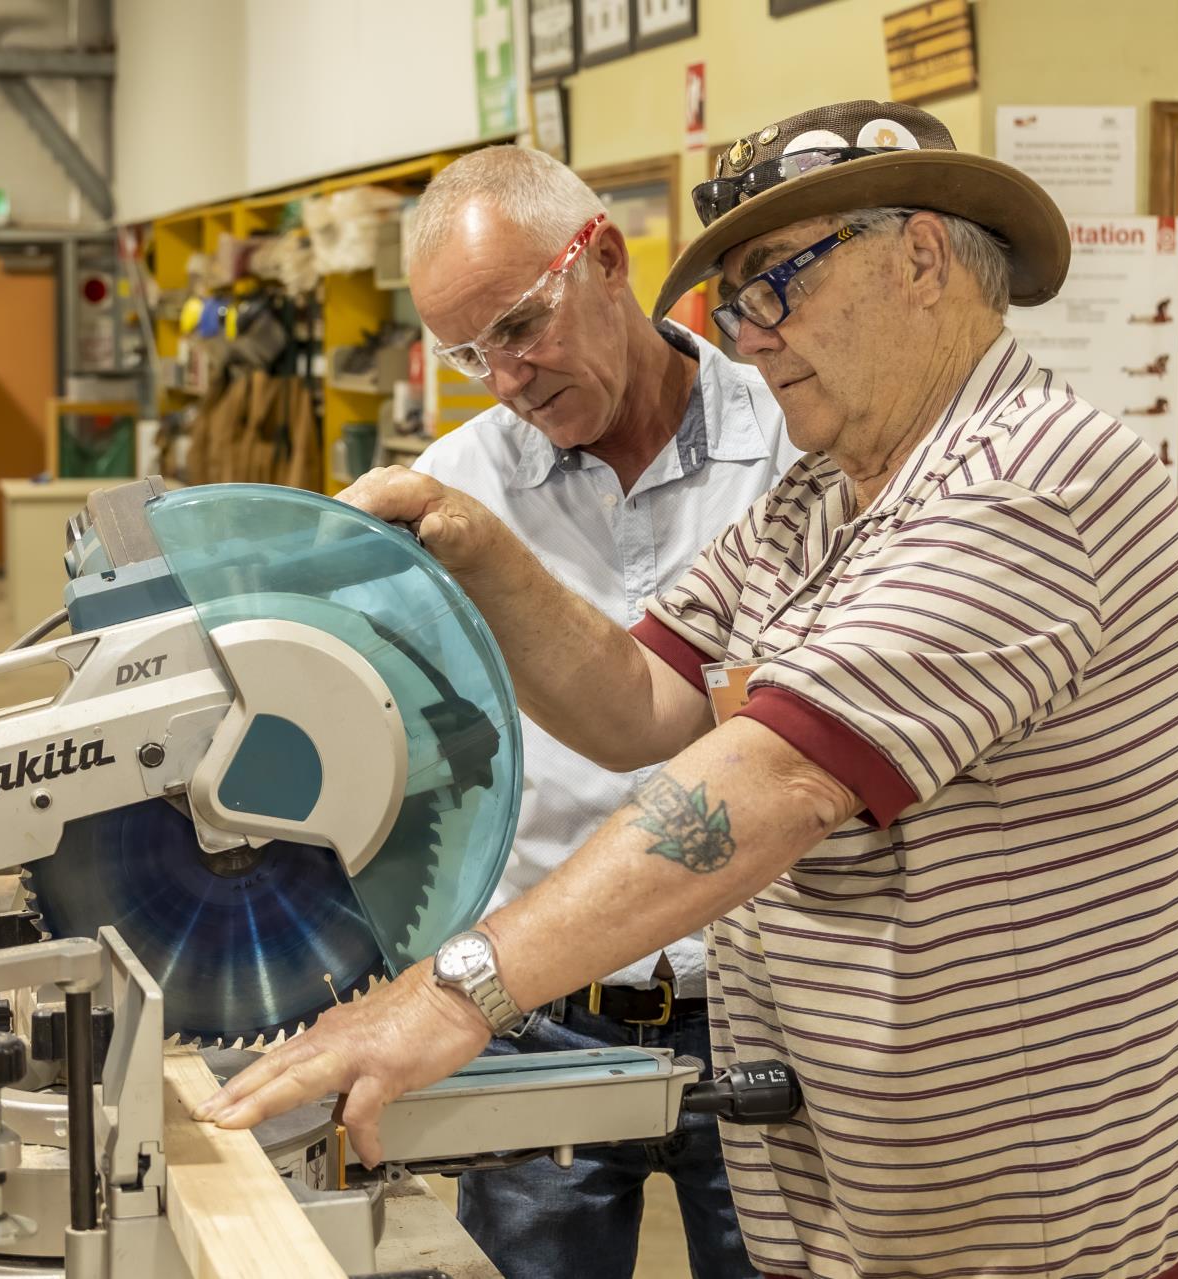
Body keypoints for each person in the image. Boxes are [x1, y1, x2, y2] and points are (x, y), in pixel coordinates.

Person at [199, 99, 1178, 1279]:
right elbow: (640, 701)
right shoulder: (827, 498)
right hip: (867, 1186)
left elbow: (775, 780)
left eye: (774, 284)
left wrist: (453, 991)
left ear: (923, 255)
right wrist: (464, 537)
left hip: (1033, 1206)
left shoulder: (1031, 482)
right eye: (733, 303)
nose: (746, 335)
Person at [402, 144, 799, 1279]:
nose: (506, 376)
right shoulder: (458, 487)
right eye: (468, 352)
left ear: (608, 260)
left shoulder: (788, 450)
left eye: (521, 327)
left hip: (769, 1008)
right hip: (541, 1013)